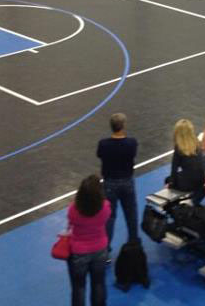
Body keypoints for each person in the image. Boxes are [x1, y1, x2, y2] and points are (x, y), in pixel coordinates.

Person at [66, 175, 110, 306]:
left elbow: (70, 223)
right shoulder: (105, 207)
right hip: (99, 250)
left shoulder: (73, 210)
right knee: (98, 283)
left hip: (79, 252)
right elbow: (107, 219)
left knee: (78, 288)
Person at [96, 113, 139, 250]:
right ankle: (134, 243)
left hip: (109, 184)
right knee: (131, 214)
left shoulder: (103, 144)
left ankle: (106, 248)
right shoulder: (131, 143)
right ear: (123, 126)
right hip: (127, 182)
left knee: (109, 217)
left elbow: (100, 155)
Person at [166, 119, 205, 204]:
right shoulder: (197, 143)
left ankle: (176, 205)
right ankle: (193, 200)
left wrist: (170, 184)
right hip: (201, 180)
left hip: (188, 184)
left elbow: (174, 169)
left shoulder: (179, 148)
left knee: (167, 179)